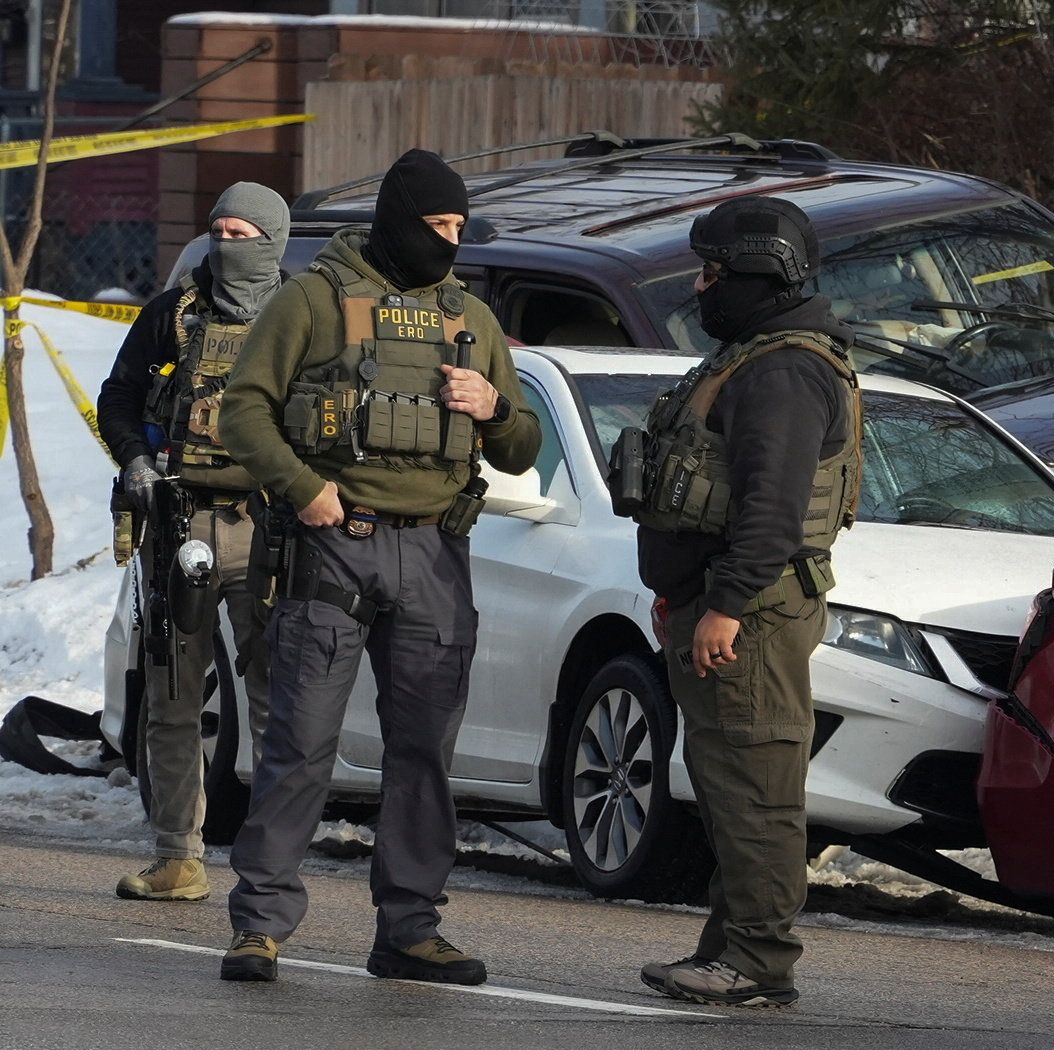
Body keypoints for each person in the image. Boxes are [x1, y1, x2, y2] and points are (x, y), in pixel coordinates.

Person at [214, 149, 540, 985]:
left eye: (460, 228)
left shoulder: (470, 317)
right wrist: (304, 487)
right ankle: (261, 923)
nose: (450, 242)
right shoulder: (314, 299)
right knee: (301, 741)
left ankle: (409, 929)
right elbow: (243, 409)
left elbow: (522, 444)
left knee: (424, 749)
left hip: (435, 548)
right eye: (437, 226)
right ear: (399, 221)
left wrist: (494, 406)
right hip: (334, 542)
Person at [620, 196, 861, 1006]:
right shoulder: (754, 355)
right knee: (729, 784)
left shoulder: (785, 372)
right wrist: (682, 594)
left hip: (752, 614)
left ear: (762, 275)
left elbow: (771, 511)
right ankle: (730, 948)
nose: (700, 286)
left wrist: (721, 603)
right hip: (722, 606)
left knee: (756, 788)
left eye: (714, 273)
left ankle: (757, 960)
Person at [96, 182, 290, 903]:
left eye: (244, 234)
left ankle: (271, 864)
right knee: (175, 693)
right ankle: (178, 856)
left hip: (270, 526)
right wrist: (135, 459)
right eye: (220, 231)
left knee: (278, 698)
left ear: (272, 239)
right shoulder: (171, 315)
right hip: (180, 525)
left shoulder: (301, 317)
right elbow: (116, 396)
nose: (227, 246)